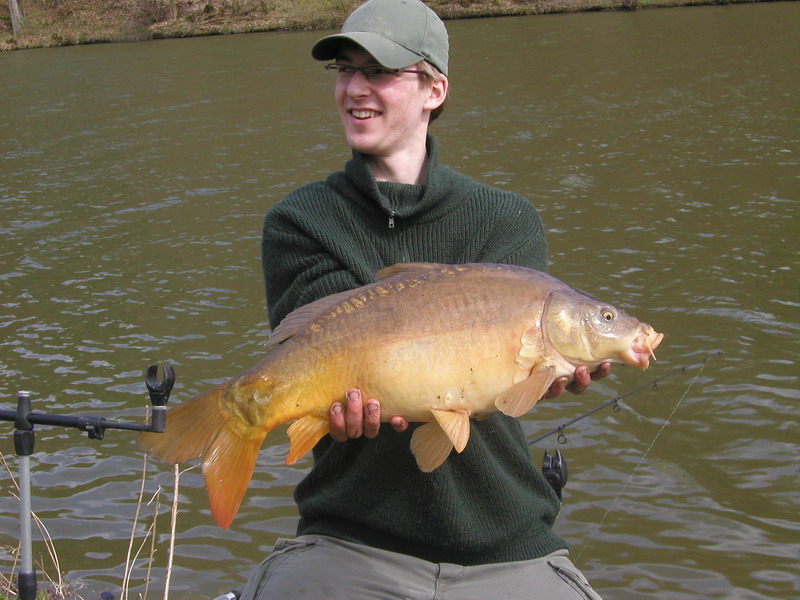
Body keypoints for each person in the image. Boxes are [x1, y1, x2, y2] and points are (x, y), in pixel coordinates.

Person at [239, 1, 610, 598]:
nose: (354, 88)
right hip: (350, 537)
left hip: (505, 540)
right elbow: (320, 351)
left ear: (434, 89)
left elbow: (508, 378)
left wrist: (550, 374)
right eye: (344, 70)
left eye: (378, 71)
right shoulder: (300, 219)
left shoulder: (506, 218)